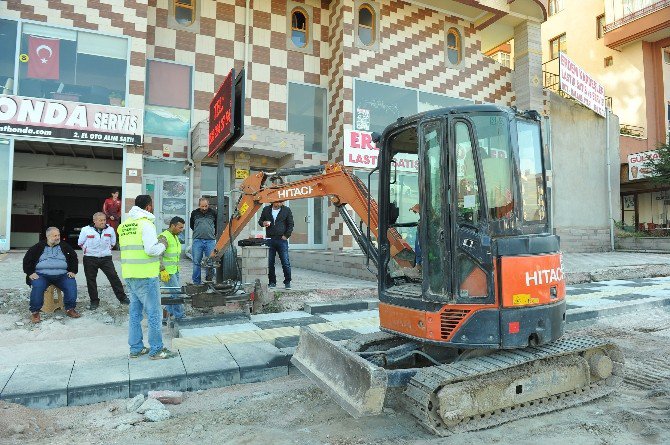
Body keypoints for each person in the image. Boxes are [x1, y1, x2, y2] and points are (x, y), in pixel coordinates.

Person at [118, 195, 176, 360]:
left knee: (135, 313)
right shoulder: (146, 224)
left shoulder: (124, 226)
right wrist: (163, 244)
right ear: (149, 207)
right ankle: (157, 349)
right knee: (154, 313)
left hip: (130, 274)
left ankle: (136, 348)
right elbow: (151, 250)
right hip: (146, 276)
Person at [23, 227, 81, 323]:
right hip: (42, 275)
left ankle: (70, 309)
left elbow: (74, 258)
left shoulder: (64, 246)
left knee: (71, 284)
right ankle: (35, 312)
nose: (58, 237)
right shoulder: (38, 247)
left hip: (62, 275)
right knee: (37, 286)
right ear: (48, 236)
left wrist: (73, 271)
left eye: (58, 235)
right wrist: (30, 273)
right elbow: (27, 260)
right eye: (55, 236)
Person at [78, 212, 130, 310]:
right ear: (94, 221)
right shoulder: (86, 230)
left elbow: (113, 242)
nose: (103, 222)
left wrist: (105, 251)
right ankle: (94, 301)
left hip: (106, 258)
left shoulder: (110, 230)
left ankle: (122, 298)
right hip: (90, 258)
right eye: (100, 220)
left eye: (104, 220)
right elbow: (80, 242)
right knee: (91, 280)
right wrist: (89, 250)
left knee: (114, 277)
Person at [258, 201, 294, 289]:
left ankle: (287, 282)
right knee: (270, 262)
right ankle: (272, 282)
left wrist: (286, 235)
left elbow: (291, 224)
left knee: (285, 262)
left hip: (282, 240)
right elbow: (260, 221)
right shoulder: (266, 209)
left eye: (281, 202)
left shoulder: (286, 210)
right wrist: (263, 223)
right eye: (277, 202)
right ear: (273, 201)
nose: (279, 204)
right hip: (270, 239)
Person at [159, 216, 186, 324]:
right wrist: (162, 270)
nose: (181, 230)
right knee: (176, 294)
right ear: (172, 226)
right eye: (180, 227)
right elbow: (158, 255)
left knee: (172, 294)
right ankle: (180, 317)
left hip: (174, 270)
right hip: (167, 272)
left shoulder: (174, 236)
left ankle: (165, 317)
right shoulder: (164, 237)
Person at [189, 197, 217, 284]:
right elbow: (192, 225)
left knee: (210, 261)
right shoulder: (194, 213)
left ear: (208, 205)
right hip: (198, 240)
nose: (204, 208)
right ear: (199, 205)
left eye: (206, 206)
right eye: (202, 206)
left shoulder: (213, 213)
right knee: (196, 261)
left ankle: (209, 280)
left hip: (210, 241)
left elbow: (216, 225)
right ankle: (196, 282)